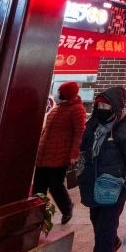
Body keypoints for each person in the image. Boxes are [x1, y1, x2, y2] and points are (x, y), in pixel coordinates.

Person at [76, 86, 126, 252]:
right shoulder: (94, 124)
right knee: (97, 221)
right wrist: (80, 172)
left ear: (115, 106)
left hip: (115, 185)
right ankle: (113, 242)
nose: (102, 109)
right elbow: (84, 149)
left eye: (105, 106)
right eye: (99, 105)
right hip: (93, 183)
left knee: (105, 230)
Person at [34, 81, 87, 225]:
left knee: (55, 185)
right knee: (38, 187)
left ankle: (67, 207)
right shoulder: (57, 108)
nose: (57, 94)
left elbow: (79, 133)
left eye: (59, 91)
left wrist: (74, 154)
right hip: (44, 154)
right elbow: (46, 131)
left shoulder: (77, 109)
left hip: (60, 156)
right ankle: (37, 216)